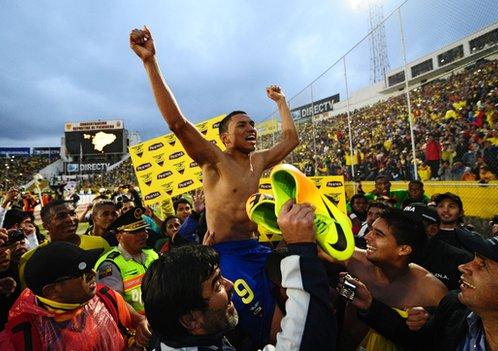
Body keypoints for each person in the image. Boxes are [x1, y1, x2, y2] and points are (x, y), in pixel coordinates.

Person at [131, 26, 299, 346]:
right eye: (242, 125)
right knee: (265, 329)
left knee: (288, 311)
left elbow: (291, 138)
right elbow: (177, 123)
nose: (251, 128)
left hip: (259, 250)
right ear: (224, 137)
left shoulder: (261, 160)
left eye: (252, 124)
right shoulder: (214, 161)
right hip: (227, 257)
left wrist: (281, 102)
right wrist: (150, 62)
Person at [141, 200, 337, 350]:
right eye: (217, 285)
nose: (231, 285)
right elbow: (305, 342)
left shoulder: (169, 330)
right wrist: (302, 251)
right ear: (191, 320)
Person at [349, 232, 498, 351]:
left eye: (482, 265)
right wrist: (370, 307)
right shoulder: (454, 309)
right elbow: (419, 343)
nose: (464, 267)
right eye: (474, 258)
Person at [0, 242, 151, 350]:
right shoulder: (18, 340)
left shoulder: (106, 298)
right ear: (52, 291)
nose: (93, 274)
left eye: (90, 269)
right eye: (81, 274)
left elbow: (137, 320)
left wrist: (142, 327)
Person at [327, 207, 447, 350]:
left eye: (378, 234)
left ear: (403, 249)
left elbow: (441, 340)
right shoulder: (352, 260)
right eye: (371, 229)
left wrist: (428, 323)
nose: (367, 237)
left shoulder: (432, 291)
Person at [18, 200, 110, 289]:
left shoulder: (99, 243)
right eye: (61, 217)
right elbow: (29, 296)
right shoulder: (29, 258)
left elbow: (109, 279)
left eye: (72, 213)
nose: (70, 219)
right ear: (46, 226)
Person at [95, 207, 159, 314]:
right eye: (134, 231)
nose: (142, 234)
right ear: (119, 237)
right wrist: (138, 320)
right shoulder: (109, 265)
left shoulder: (153, 254)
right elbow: (113, 303)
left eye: (143, 229)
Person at [402, 203, 473, 290]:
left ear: (433, 230)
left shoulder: (460, 260)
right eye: (400, 223)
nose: (400, 229)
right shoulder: (393, 252)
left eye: (410, 225)